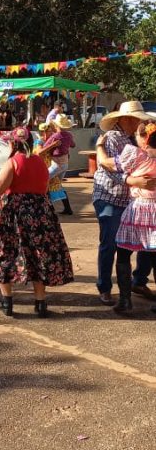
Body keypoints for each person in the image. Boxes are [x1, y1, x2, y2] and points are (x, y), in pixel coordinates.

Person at [0, 126, 73, 317]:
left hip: (16, 214)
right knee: (39, 254)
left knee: (7, 252)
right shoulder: (40, 162)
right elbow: (43, 188)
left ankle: (7, 302)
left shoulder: (13, 163)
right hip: (42, 213)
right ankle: (40, 302)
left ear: (13, 143)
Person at [92, 100, 156, 306]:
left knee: (144, 244)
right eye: (139, 119)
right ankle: (105, 287)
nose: (142, 123)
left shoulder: (135, 139)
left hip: (133, 201)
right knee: (111, 244)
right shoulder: (112, 138)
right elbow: (109, 169)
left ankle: (136, 284)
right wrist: (133, 181)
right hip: (111, 196)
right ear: (127, 119)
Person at [37, 114, 75, 215]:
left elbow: (41, 152)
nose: (48, 132)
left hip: (55, 165)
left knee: (44, 182)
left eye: (49, 130)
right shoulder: (68, 135)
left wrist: (53, 145)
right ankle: (65, 209)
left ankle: (46, 209)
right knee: (57, 185)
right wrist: (64, 148)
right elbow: (73, 145)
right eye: (46, 131)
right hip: (62, 164)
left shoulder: (54, 137)